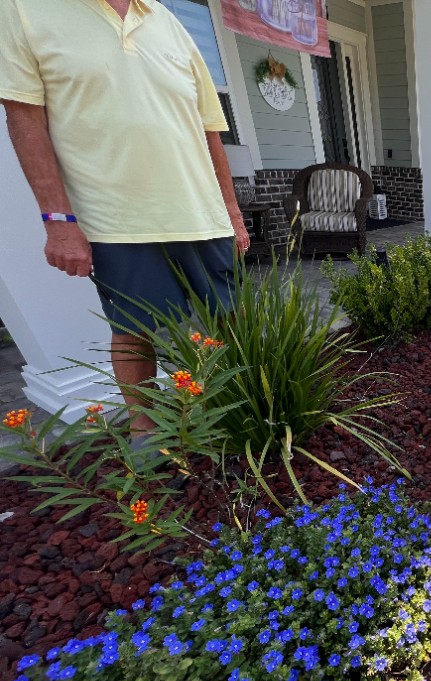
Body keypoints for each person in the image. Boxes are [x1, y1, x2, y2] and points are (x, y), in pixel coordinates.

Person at [0, 0, 251, 438]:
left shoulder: (166, 19)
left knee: (231, 318)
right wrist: (58, 220)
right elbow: (23, 116)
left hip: (202, 211)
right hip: (117, 219)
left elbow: (209, 128)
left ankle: (244, 410)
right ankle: (144, 432)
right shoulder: (24, 9)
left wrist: (231, 210)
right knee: (134, 330)